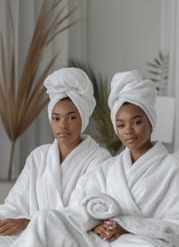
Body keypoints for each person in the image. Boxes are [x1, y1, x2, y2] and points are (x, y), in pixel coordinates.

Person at [1, 70, 179, 247]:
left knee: (45, 221)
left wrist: (126, 227)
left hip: (133, 239)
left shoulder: (173, 168)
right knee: (45, 220)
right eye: (121, 125)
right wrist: (93, 222)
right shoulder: (111, 167)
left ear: (150, 122)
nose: (129, 131)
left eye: (137, 122)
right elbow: (84, 207)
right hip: (100, 235)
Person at [0, 67, 110, 236]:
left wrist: (29, 223)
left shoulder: (99, 159)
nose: (63, 125)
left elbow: (84, 214)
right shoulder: (38, 157)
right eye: (56, 118)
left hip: (75, 238)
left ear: (83, 119)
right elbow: (15, 205)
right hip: (32, 236)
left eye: (72, 117)